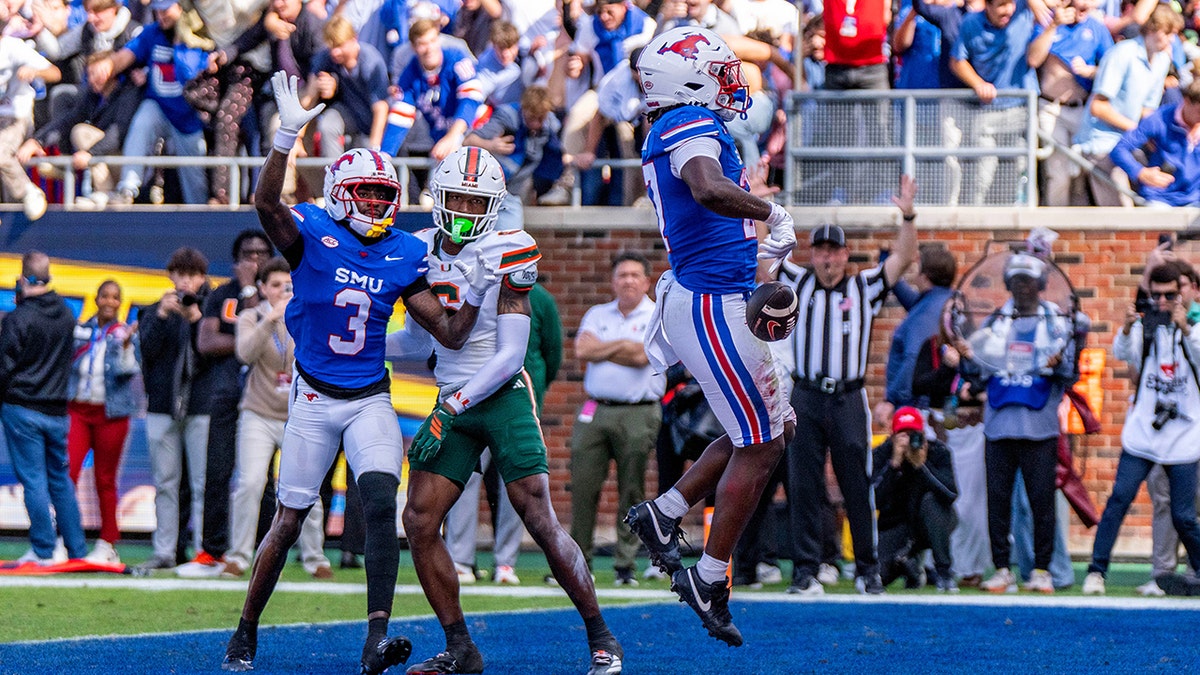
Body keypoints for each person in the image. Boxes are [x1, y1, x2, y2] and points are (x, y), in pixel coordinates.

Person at [222, 71, 494, 675]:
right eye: (366, 194)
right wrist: (285, 137)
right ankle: (245, 627)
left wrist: (474, 290)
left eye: (383, 194)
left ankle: (375, 638)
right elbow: (265, 203)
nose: (377, 204)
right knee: (288, 519)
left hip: (370, 394)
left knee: (378, 504)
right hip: (313, 398)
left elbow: (448, 331)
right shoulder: (313, 232)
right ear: (341, 192)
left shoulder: (403, 250)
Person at [386, 145, 623, 675]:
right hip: (453, 397)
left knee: (538, 516)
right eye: (458, 199)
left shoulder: (508, 248)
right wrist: (358, 346)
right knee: (421, 520)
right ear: (439, 199)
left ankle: (602, 637)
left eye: (477, 201)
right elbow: (410, 339)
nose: (468, 211)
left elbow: (510, 354)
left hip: (500, 395)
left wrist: (452, 409)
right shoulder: (419, 249)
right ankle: (461, 647)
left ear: (494, 205)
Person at [623, 26, 797, 647]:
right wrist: (769, 212)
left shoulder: (688, 119)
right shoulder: (688, 119)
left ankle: (665, 513)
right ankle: (710, 575)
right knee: (761, 443)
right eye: (721, 69)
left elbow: (713, 202)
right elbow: (705, 186)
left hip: (714, 295)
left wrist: (764, 250)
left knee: (769, 429)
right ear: (691, 79)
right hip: (708, 303)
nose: (732, 81)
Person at [777, 186, 918, 597]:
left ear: (844, 254)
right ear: (812, 254)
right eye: (819, 250)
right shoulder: (796, 282)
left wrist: (908, 218)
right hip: (804, 394)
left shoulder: (864, 288)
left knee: (857, 483)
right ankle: (804, 570)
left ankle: (867, 570)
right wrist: (761, 207)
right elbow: (760, 258)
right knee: (802, 484)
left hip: (847, 396)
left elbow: (904, 258)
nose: (826, 257)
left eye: (833, 251)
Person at [959, 251, 1076, 594]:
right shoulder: (996, 320)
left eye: (1028, 281)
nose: (1022, 287)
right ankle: (1002, 569)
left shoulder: (1056, 321)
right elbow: (979, 372)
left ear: (1040, 285)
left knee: (1042, 502)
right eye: (1016, 281)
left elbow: (1070, 372)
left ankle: (1042, 570)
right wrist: (966, 358)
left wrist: (1057, 364)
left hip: (1039, 426)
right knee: (998, 501)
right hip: (999, 424)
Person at [1082, 262, 1200, 595]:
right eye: (1156, 295)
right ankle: (1096, 571)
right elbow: (1123, 354)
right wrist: (1124, 329)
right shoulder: (1146, 327)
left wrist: (1187, 332)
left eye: (1170, 295)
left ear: (1185, 293)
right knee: (1119, 497)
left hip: (1184, 438)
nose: (1162, 302)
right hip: (1143, 434)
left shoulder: (1196, 327)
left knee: (1184, 516)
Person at [223, 256, 331, 580]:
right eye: (275, 285)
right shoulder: (251, 316)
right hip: (257, 412)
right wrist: (270, 319)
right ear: (263, 288)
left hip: (299, 413)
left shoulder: (311, 316)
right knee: (250, 483)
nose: (283, 291)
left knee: (306, 487)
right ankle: (239, 555)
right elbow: (244, 353)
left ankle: (315, 557)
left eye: (289, 284)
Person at [177, 230, 276, 578]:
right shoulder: (223, 294)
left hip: (266, 396)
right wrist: (247, 339)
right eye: (248, 254)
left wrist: (252, 295)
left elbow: (263, 340)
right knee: (217, 473)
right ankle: (213, 549)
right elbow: (205, 341)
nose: (255, 260)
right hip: (225, 391)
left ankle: (265, 548)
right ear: (236, 260)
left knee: (261, 479)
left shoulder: (279, 296)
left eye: (262, 253)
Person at [569, 252, 666, 586]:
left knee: (632, 489)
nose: (627, 280)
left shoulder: (656, 314)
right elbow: (582, 351)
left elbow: (643, 357)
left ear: (646, 281)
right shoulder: (598, 313)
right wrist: (624, 345)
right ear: (612, 281)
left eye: (634, 275)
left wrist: (607, 347)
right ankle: (578, 564)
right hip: (595, 409)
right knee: (582, 487)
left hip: (639, 411)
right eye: (622, 275)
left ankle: (625, 565)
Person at [1, 251, 87, 564]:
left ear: (23, 279)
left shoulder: (18, 318)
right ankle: (77, 550)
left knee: (34, 481)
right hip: (57, 411)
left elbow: (4, 367)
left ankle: (43, 549)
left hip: (23, 408)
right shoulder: (65, 313)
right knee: (60, 480)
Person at [85, 0, 211, 204]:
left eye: (166, 10)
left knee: (195, 184)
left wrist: (181, 40)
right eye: (157, 11)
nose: (161, 15)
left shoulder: (197, 35)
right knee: (144, 117)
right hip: (159, 107)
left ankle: (202, 222)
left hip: (187, 119)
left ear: (181, 8)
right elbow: (127, 54)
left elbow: (189, 72)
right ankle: (127, 189)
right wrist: (109, 66)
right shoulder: (151, 33)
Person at [137, 247, 214, 571]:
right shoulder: (155, 310)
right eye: (180, 275)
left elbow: (212, 357)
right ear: (170, 276)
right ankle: (165, 550)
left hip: (200, 406)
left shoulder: (209, 311)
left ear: (202, 278)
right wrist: (161, 316)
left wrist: (196, 320)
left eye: (192, 275)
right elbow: (146, 353)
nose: (185, 282)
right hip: (161, 407)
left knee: (201, 484)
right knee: (165, 482)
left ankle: (202, 552)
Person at [1073, 5, 1180, 206]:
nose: (1171, 39)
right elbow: (1099, 107)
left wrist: (1156, 137)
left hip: (1130, 144)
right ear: (1151, 29)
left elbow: (1147, 110)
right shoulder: (1121, 54)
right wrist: (1139, 131)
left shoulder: (1163, 60)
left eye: (1174, 34)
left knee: (1157, 191)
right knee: (1123, 213)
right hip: (1100, 144)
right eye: (1167, 33)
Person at [67, 279, 140, 564]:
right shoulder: (80, 330)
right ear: (96, 299)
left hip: (111, 414)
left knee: (105, 480)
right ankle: (66, 538)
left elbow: (129, 370)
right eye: (105, 296)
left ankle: (107, 543)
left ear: (120, 303)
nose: (109, 301)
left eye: (115, 297)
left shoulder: (124, 333)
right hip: (78, 411)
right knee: (68, 474)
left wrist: (123, 347)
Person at [872, 407, 959, 592]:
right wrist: (894, 465)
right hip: (895, 523)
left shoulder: (937, 451)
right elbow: (874, 501)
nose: (909, 440)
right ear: (893, 436)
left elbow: (950, 494)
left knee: (932, 503)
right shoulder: (882, 453)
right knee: (879, 576)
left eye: (913, 434)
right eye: (903, 435)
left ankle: (944, 572)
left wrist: (922, 466)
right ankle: (910, 567)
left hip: (931, 520)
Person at [877, 246, 957, 419]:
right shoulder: (944, 301)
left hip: (919, 408)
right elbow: (906, 295)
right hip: (934, 404)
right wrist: (885, 260)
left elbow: (912, 360)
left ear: (925, 277)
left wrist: (890, 400)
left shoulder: (924, 315)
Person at [0, 10, 60, 220]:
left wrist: (34, 72)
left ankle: (28, 191)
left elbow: (55, 72)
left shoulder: (13, 47)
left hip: (17, 116)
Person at [1109, 79, 1200, 208]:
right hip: (1162, 198)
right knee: (1153, 221)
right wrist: (1140, 172)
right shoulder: (1159, 119)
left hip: (1195, 199)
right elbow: (1120, 149)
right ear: (1186, 101)